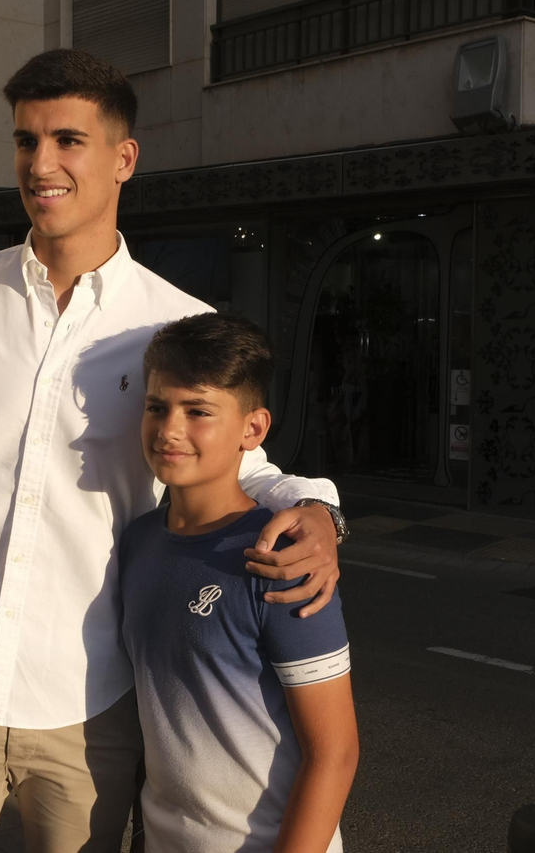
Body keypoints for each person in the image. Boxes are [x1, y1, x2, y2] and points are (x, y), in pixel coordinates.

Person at [0, 48, 347, 853]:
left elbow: (236, 458)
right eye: (27, 141)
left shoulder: (170, 322)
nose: (42, 164)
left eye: (68, 140)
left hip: (89, 699)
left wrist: (320, 508)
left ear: (124, 157)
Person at [121, 313, 358, 852]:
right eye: (157, 407)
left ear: (253, 429)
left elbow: (335, 752)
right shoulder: (136, 543)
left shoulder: (283, 556)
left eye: (198, 411)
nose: (169, 430)